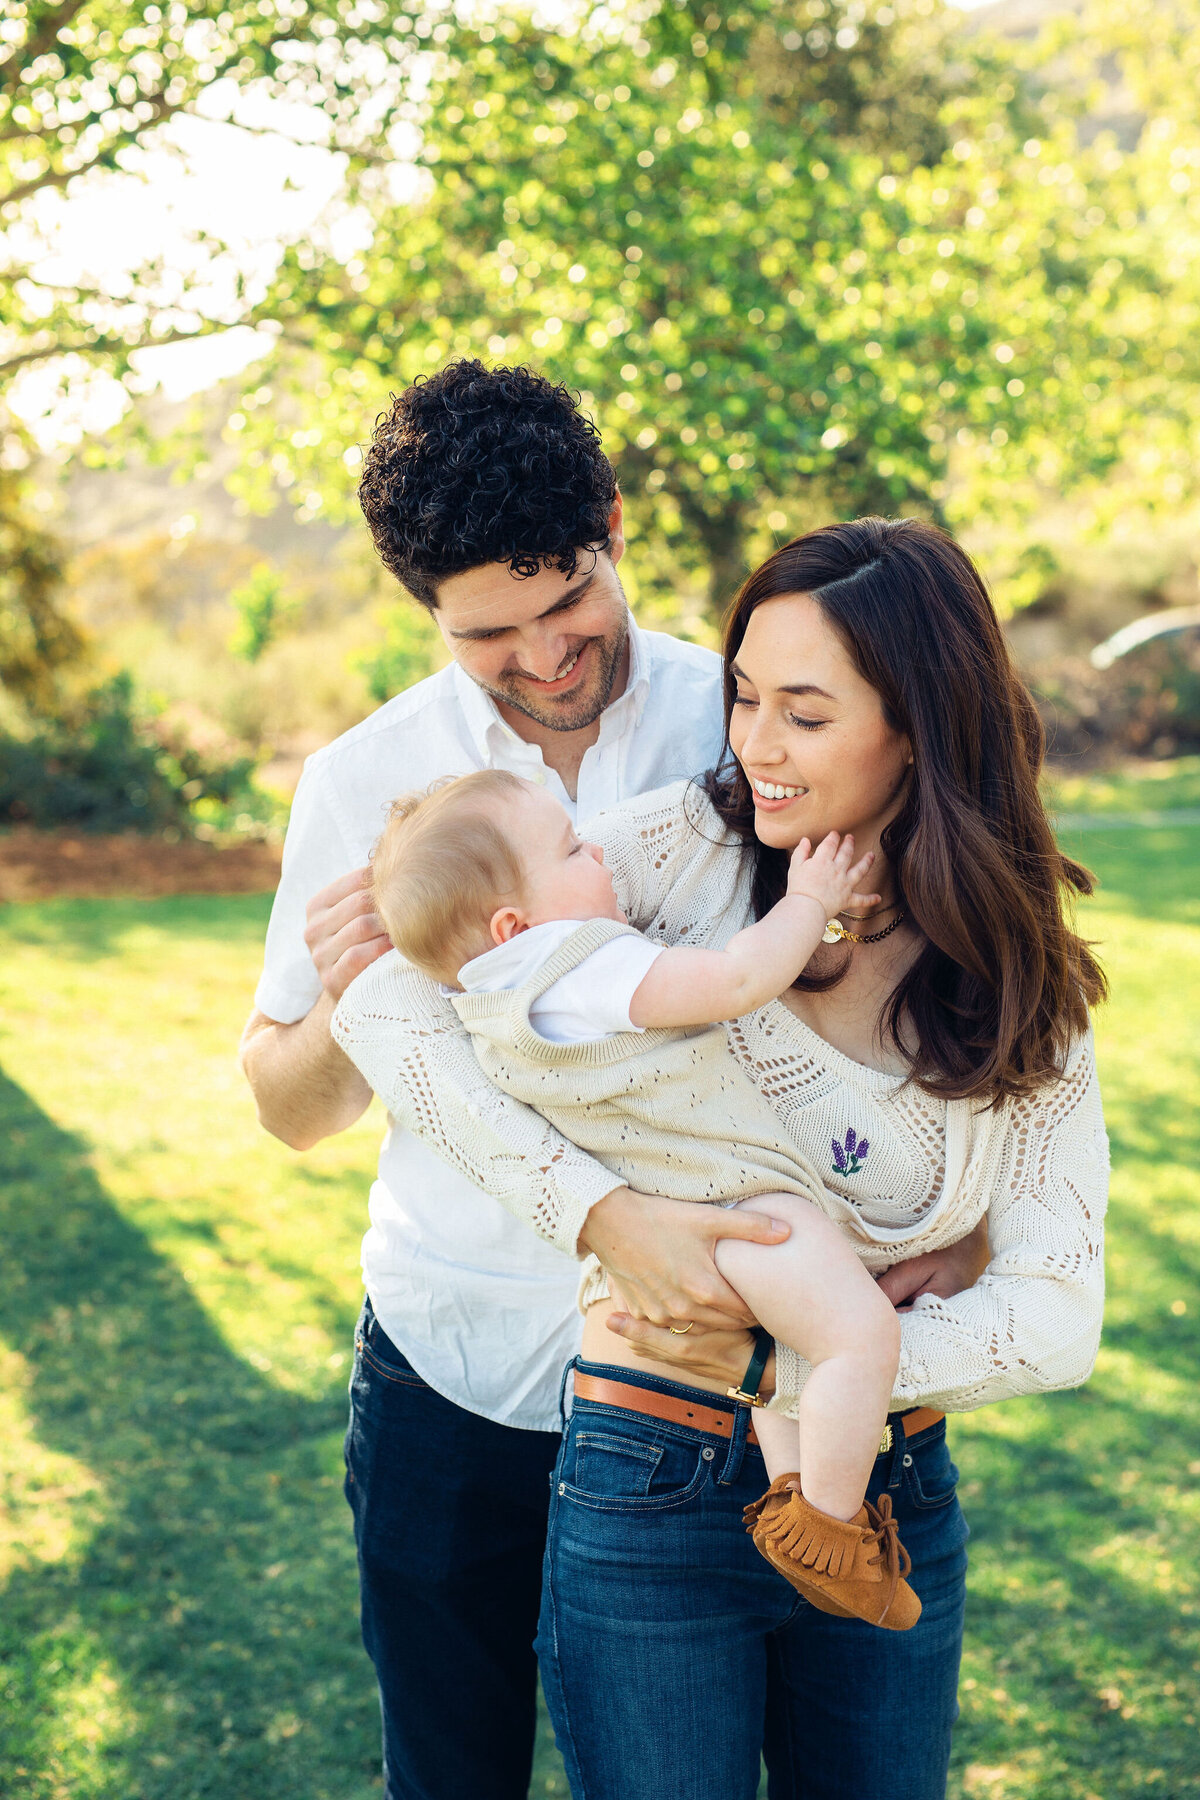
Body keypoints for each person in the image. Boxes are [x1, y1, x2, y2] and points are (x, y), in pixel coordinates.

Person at [243, 362, 979, 1800]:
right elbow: (285, 1108)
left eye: (564, 600)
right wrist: (356, 1000)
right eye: (486, 633)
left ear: (615, 526)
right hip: (458, 1372)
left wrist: (951, 1215)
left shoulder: (753, 714)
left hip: (705, 1390)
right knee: (450, 1774)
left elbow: (920, 979)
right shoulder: (360, 782)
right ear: (426, 614)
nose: (543, 656)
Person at [335, 517, 1109, 1800]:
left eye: (804, 713)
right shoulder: (683, 850)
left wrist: (785, 1352)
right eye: (745, 696)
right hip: (648, 1480)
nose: (752, 744)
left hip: (884, 1497)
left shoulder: (1016, 982)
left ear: (917, 724)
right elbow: (390, 1011)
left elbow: (1056, 1320)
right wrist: (601, 1214)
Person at [367, 769, 923, 1628]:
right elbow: (737, 979)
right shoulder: (578, 968)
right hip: (738, 1206)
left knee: (786, 1352)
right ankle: (834, 1528)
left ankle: (786, 1495)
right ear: (514, 927)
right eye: (572, 850)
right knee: (859, 1336)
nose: (599, 852)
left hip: (684, 1225)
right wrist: (812, 899)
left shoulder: (488, 1003)